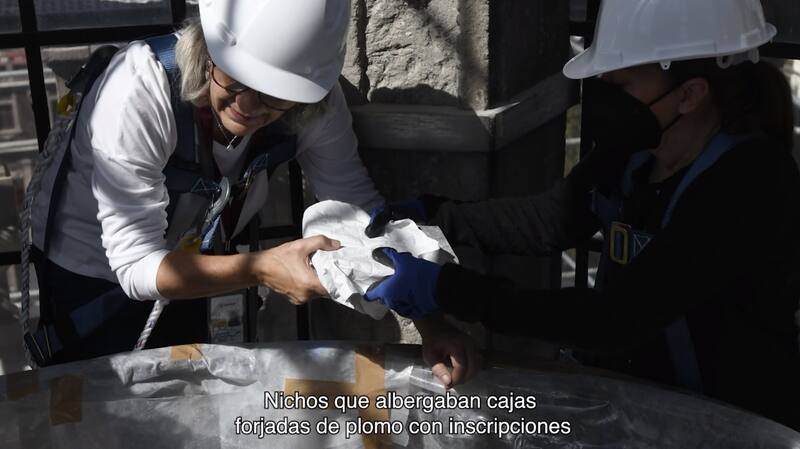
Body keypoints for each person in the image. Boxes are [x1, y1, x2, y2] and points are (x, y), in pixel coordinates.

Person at [363, 0, 800, 430]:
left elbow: (614, 319)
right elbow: (550, 220)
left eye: (622, 84)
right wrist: (438, 215)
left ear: (689, 94)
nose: (605, 92)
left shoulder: (749, 183)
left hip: (729, 423)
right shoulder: (637, 153)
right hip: (639, 403)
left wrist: (448, 289)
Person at [23, 0, 476, 385]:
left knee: (186, 402)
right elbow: (135, 266)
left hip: (195, 260)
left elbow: (354, 205)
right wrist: (261, 268)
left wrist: (427, 318)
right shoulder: (138, 91)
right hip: (89, 276)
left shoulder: (313, 98)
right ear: (208, 48)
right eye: (235, 79)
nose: (247, 105)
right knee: (100, 414)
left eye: (274, 93)